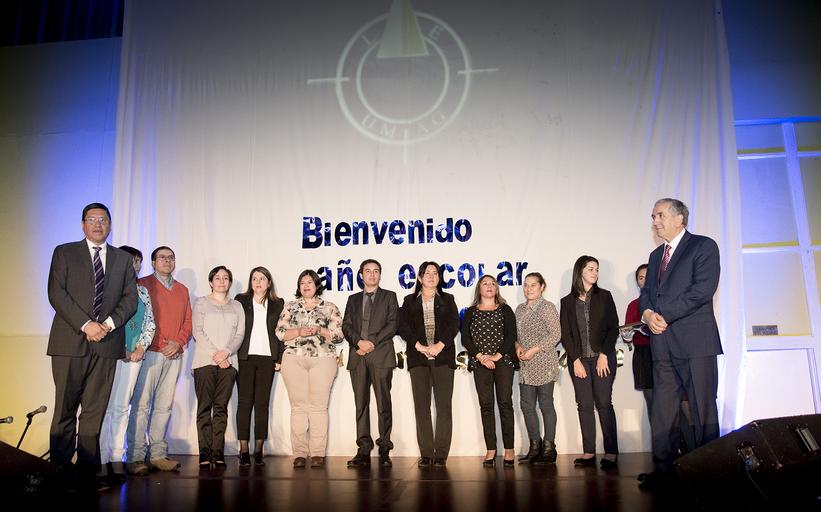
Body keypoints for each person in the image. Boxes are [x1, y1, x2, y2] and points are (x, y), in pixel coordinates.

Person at [47, 202, 137, 491]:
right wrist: (87, 324)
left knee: (94, 412)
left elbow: (130, 300)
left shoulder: (123, 259)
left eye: (103, 220)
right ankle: (60, 472)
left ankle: (87, 473)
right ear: (83, 224)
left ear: (110, 224)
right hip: (69, 343)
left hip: (106, 345)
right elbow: (56, 293)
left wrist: (106, 325)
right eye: (92, 219)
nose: (98, 224)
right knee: (65, 410)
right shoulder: (64, 252)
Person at [638, 198, 722, 489]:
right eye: (653, 216)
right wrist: (647, 314)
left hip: (696, 343)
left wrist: (663, 314)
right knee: (663, 411)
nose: (655, 221)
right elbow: (647, 293)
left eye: (660, 215)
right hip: (662, 345)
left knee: (702, 409)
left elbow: (703, 290)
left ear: (679, 218)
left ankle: (708, 473)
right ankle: (664, 471)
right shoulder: (655, 256)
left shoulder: (703, 246)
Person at [126, 246, 192, 476]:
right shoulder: (142, 285)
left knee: (164, 406)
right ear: (153, 263)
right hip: (149, 353)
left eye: (171, 257)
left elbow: (188, 321)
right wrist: (163, 342)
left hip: (175, 355)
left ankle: (157, 455)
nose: (167, 261)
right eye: (162, 257)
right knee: (141, 406)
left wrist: (178, 343)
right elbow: (142, 320)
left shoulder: (182, 290)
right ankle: (135, 456)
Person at [98, 246, 155, 485]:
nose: (136, 265)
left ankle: (115, 458)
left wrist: (141, 347)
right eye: (132, 260)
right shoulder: (107, 288)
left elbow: (149, 322)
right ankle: (101, 460)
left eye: (139, 261)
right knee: (104, 408)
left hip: (135, 357)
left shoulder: (142, 292)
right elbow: (103, 322)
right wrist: (121, 350)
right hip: (111, 355)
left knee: (122, 408)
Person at [276, 270, 344, 469]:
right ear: (299, 286)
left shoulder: (329, 307)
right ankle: (299, 453)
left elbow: (339, 335)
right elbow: (280, 332)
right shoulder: (290, 306)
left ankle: (317, 454)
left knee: (318, 407)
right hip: (293, 359)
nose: (306, 286)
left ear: (317, 285)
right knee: (298, 407)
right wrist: (298, 331)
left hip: (323, 359)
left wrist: (319, 330)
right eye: (302, 282)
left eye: (310, 282)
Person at [559, 255, 620, 469]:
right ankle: (588, 452)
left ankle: (611, 451)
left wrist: (604, 354)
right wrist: (575, 359)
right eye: (590, 269)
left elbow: (613, 328)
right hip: (579, 361)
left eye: (596, 269)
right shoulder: (567, 302)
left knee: (604, 403)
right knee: (584, 405)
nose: (595, 273)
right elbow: (566, 334)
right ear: (580, 272)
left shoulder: (605, 296)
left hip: (603, 358)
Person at [398, 261, 459, 468]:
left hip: (443, 359)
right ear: (419, 277)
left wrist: (439, 345)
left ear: (439, 277)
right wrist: (418, 346)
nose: (432, 277)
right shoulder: (409, 301)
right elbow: (403, 326)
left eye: (435, 273)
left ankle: (441, 454)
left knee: (444, 408)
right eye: (427, 273)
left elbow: (454, 325)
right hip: (418, 359)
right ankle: (426, 453)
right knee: (421, 408)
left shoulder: (448, 299)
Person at [342, 259, 399, 468]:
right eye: (368, 271)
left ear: (380, 275)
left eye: (376, 271)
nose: (372, 274)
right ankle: (363, 449)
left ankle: (384, 449)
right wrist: (359, 342)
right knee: (361, 405)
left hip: (381, 355)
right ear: (361, 275)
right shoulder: (353, 299)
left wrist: (371, 343)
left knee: (384, 404)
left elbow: (393, 324)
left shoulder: (389, 296)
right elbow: (346, 325)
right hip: (358, 356)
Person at [460, 275, 519, 467]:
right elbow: (465, 338)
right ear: (479, 288)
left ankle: (509, 449)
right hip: (480, 363)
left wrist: (496, 356)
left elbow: (511, 335)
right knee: (486, 406)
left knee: (505, 404)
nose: (489, 286)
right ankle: (491, 449)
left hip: (503, 361)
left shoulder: (505, 309)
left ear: (497, 288)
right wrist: (481, 357)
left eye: (493, 283)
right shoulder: (471, 312)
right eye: (485, 283)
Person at [192, 266, 244, 469]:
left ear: (229, 282)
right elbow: (198, 331)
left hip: (229, 363)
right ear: (211, 282)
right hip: (204, 362)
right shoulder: (201, 303)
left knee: (221, 408)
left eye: (226, 278)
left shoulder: (237, 306)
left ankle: (218, 452)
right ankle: (204, 453)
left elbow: (240, 334)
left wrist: (226, 353)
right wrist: (216, 354)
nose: (222, 281)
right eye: (217, 278)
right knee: (205, 407)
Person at [234, 266, 285, 466]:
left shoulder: (278, 304)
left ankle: (258, 449)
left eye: (262, 278)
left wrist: (279, 358)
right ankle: (243, 449)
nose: (258, 282)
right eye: (254, 278)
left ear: (268, 282)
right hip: (244, 358)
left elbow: (281, 333)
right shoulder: (241, 300)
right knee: (244, 403)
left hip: (267, 359)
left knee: (262, 404)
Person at [514, 272, 561, 465]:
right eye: (526, 285)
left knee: (545, 404)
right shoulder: (519, 309)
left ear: (542, 287)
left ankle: (549, 449)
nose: (529, 288)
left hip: (544, 361)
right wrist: (517, 347)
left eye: (533, 285)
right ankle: (535, 447)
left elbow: (556, 334)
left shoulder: (547, 307)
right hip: (526, 364)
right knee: (527, 406)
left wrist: (534, 350)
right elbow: (515, 336)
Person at [625, 264, 652, 411]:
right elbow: (627, 333)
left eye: (648, 277)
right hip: (643, 354)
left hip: (666, 354)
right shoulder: (633, 305)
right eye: (641, 278)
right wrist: (627, 336)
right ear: (637, 282)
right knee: (652, 402)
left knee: (674, 403)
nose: (645, 281)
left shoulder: (667, 303)